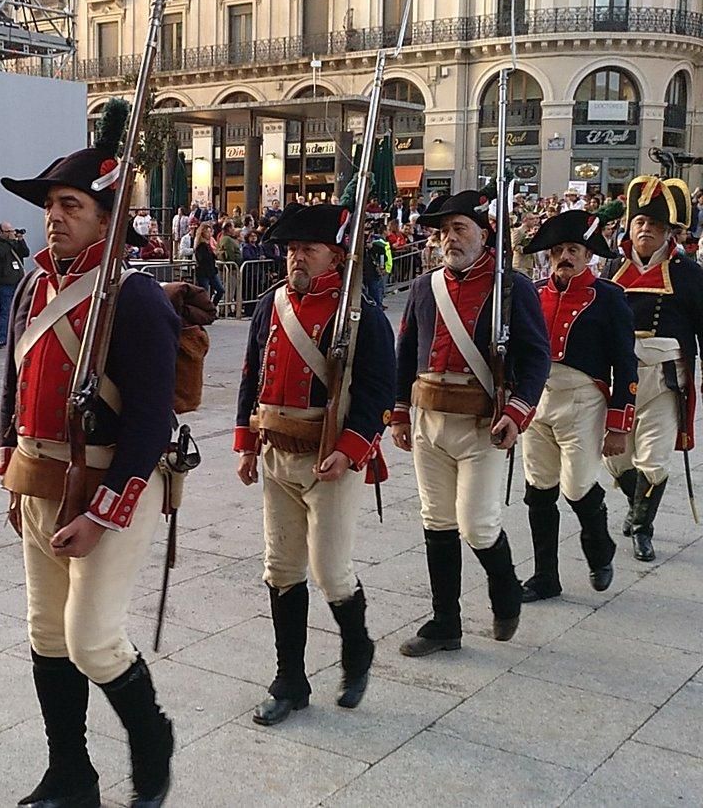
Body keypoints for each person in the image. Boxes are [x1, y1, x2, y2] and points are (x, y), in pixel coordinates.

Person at [0, 120, 178, 808]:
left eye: (70, 205)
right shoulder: (32, 289)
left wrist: (104, 515)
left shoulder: (133, 299)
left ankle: (151, 739)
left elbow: (149, 423)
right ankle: (70, 774)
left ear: (107, 221)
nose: (53, 218)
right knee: (46, 634)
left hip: (107, 486)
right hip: (38, 480)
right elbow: (14, 381)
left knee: (92, 640)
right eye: (49, 206)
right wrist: (11, 463)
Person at [234, 204, 394, 722]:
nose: (296, 258)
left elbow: (376, 391)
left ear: (336, 255)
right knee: (280, 568)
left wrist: (350, 450)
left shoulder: (360, 314)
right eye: (292, 249)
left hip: (330, 459)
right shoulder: (271, 304)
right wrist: (245, 441)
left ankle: (357, 648)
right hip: (277, 450)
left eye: (308, 249)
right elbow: (251, 374)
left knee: (330, 571)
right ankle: (290, 680)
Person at [391, 191, 550, 656]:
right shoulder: (425, 287)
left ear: (484, 233)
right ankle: (445, 622)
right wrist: (399, 411)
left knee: (478, 525)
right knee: (436, 520)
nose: (450, 239)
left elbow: (537, 357)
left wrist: (518, 412)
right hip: (429, 417)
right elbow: (407, 355)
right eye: (444, 232)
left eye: (460, 229)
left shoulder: (512, 287)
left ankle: (505, 592)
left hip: (483, 421)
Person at [517, 210, 636, 600]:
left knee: (578, 485)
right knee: (539, 488)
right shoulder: (532, 294)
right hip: (537, 399)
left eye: (573, 249)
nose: (564, 257)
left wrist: (619, 424)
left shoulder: (610, 299)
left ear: (588, 256)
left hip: (585, 402)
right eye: (557, 250)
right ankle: (545, 577)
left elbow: (626, 363)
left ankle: (600, 549)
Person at [606, 176, 703, 561]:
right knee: (615, 458)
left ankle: (642, 527)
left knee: (654, 457)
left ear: (669, 232)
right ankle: (636, 505)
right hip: (618, 377)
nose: (645, 230)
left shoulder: (689, 275)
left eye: (654, 225)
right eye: (640, 223)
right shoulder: (612, 268)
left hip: (665, 380)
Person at [0, 222, 30, 349]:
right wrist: (10, 241)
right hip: (5, 283)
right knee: (6, 310)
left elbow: (26, 253)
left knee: (20, 310)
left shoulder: (15, 244)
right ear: (0, 232)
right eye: (7, 231)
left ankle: (19, 337)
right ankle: (2, 338)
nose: (10, 233)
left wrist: (20, 240)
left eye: (11, 231)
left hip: (18, 281)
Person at [193, 222, 224, 306]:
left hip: (212, 271)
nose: (210, 234)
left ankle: (213, 306)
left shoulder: (208, 244)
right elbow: (202, 258)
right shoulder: (200, 245)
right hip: (203, 272)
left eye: (210, 232)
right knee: (205, 293)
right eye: (208, 232)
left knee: (220, 290)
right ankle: (206, 309)